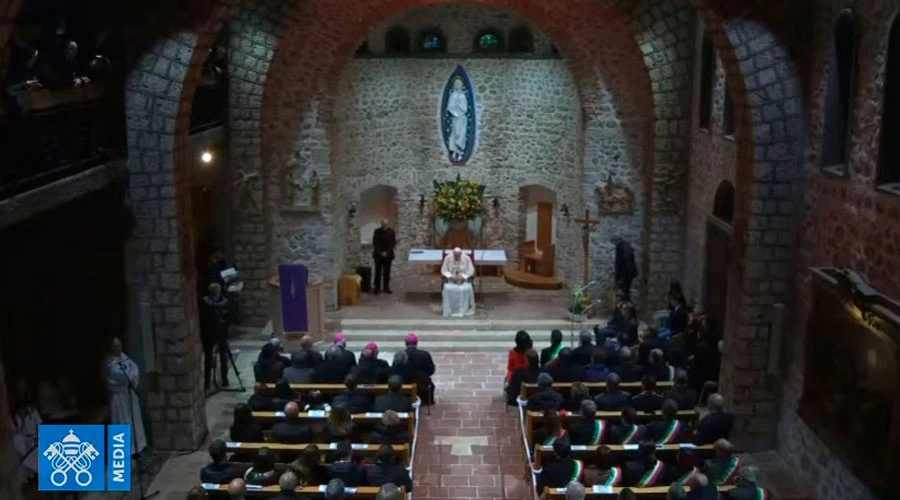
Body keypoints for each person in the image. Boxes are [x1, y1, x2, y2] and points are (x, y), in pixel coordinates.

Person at [104, 337, 148, 453]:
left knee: (134, 421)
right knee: (122, 421)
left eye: (119, 345)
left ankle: (138, 446)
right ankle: (126, 449)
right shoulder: (109, 363)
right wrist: (130, 376)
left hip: (129, 395)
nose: (119, 348)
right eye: (116, 346)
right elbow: (122, 375)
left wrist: (131, 376)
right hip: (119, 397)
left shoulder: (124, 358)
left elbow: (134, 368)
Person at [10, 378, 41, 484]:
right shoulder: (11, 419)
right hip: (22, 453)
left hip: (34, 447)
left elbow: (40, 428)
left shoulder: (31, 410)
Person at [202, 282, 232, 389]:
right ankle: (207, 381)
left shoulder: (222, 301)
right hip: (209, 333)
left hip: (221, 332)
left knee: (223, 356)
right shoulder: (206, 301)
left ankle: (224, 378)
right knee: (208, 358)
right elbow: (211, 307)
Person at [441, 247, 476, 317]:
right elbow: (444, 270)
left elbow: (471, 270)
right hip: (451, 280)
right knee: (448, 289)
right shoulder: (448, 258)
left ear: (461, 254)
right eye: (455, 255)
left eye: (458, 255)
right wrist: (451, 277)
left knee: (467, 289)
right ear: (453, 253)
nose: (456, 257)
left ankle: (464, 309)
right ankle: (450, 309)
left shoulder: (467, 258)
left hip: (463, 281)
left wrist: (463, 277)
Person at [404, 333, 435, 404]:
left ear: (405, 343)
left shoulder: (400, 354)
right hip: (423, 386)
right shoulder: (425, 354)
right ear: (416, 343)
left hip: (406, 386)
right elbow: (431, 370)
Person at [372, 219, 396, 294]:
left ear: (387, 224)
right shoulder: (377, 231)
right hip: (378, 255)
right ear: (381, 224)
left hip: (388, 255)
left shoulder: (392, 231)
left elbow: (392, 243)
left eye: (385, 224)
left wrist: (386, 252)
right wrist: (381, 252)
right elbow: (375, 242)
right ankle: (377, 287)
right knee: (378, 272)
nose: (384, 226)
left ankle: (386, 287)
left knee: (387, 272)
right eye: (383, 224)